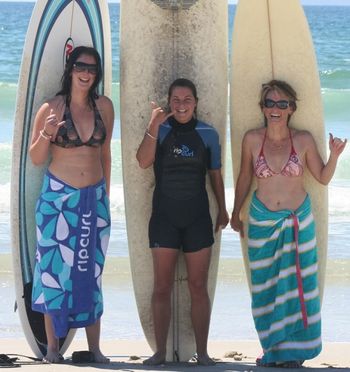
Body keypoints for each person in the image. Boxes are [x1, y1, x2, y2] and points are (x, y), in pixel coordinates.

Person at [230, 79, 347, 368]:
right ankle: (272, 350)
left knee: (300, 289)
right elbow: (245, 177)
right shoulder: (252, 140)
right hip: (261, 225)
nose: (275, 109)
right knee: (266, 291)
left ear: (291, 108)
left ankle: (295, 353)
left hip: (298, 225)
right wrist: (235, 213)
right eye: (270, 103)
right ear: (262, 107)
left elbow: (322, 177)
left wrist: (335, 156)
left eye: (282, 104)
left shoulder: (304, 140)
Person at [29, 46, 114, 363]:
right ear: (70, 68)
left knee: (90, 273)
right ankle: (52, 347)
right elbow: (36, 158)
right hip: (58, 200)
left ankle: (95, 348)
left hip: (93, 198)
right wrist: (47, 134)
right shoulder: (51, 108)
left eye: (92, 68)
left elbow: (105, 155)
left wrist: (106, 196)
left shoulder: (104, 106)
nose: (86, 72)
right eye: (80, 66)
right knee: (53, 271)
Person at [136, 78, 229, 366]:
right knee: (161, 287)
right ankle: (159, 352)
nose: (181, 105)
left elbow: (215, 175)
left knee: (198, 287)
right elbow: (142, 161)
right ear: (169, 102)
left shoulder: (208, 134)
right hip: (164, 217)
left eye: (187, 99)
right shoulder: (160, 131)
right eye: (176, 100)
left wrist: (223, 210)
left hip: (197, 218)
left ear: (196, 102)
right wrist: (153, 124)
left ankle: (202, 352)